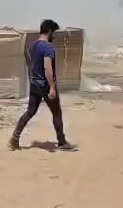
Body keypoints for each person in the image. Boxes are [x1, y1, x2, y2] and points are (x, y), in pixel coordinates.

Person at [8, 19, 77, 152]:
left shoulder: (33, 46)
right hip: (45, 85)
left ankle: (14, 139)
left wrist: (33, 78)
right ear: (49, 31)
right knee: (57, 113)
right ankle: (62, 142)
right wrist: (51, 87)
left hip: (35, 85)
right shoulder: (47, 48)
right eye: (54, 33)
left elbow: (30, 63)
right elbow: (47, 68)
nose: (54, 36)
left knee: (30, 112)